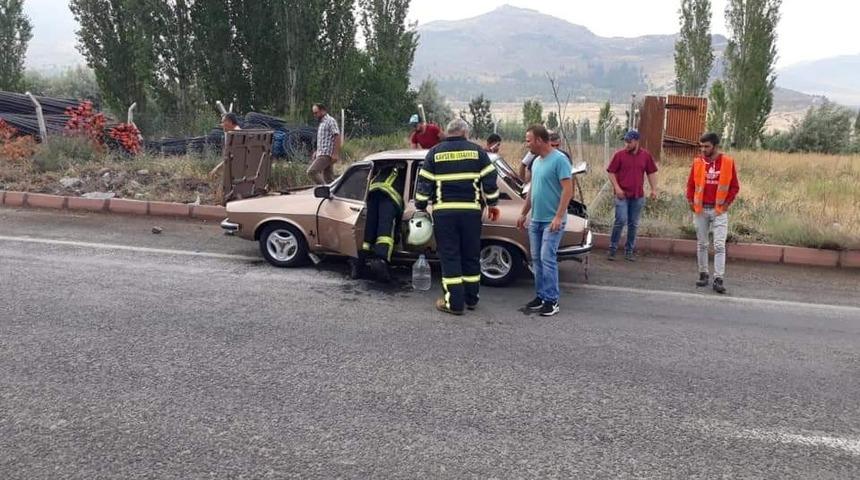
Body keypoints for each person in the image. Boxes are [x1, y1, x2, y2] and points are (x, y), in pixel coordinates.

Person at [415, 118, 500, 315]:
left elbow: (424, 183)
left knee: (450, 256)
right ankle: (471, 299)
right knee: (470, 255)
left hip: (444, 214)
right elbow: (489, 179)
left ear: (448, 132)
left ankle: (454, 303)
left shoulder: (435, 152)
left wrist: (420, 205)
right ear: (465, 133)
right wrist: (493, 203)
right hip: (471, 213)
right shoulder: (477, 151)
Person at [516, 125, 573, 317]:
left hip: (552, 221)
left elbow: (568, 190)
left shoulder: (560, 160)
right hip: (536, 220)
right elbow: (533, 190)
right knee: (537, 260)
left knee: (547, 258)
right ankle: (540, 296)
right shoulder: (536, 162)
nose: (527, 144)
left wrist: (558, 216)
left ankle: (552, 300)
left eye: (529, 140)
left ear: (539, 140)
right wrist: (524, 213)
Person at [686, 132, 740, 295]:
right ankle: (703, 274)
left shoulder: (728, 162)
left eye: (706, 146)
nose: (703, 149)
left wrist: (726, 204)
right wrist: (690, 201)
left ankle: (718, 279)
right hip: (701, 210)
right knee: (702, 244)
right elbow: (690, 185)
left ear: (715, 147)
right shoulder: (697, 163)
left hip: (719, 211)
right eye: (701, 146)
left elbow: (734, 187)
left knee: (719, 245)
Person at [606, 130, 659, 261]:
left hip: (637, 195)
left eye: (629, 142)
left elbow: (651, 173)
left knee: (633, 224)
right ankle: (612, 248)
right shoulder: (619, 155)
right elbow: (611, 172)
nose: (627, 144)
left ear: (636, 141)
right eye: (625, 141)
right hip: (622, 195)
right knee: (621, 220)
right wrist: (617, 188)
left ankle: (629, 250)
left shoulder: (645, 156)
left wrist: (654, 189)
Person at [358, 164, 406, 282]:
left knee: (368, 230)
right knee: (385, 232)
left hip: (373, 194)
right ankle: (381, 260)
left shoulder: (380, 171)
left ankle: (358, 263)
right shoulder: (400, 173)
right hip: (390, 198)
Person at [308, 103, 341, 185]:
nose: (315, 115)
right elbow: (323, 139)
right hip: (321, 152)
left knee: (312, 171)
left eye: (316, 113)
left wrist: (335, 153)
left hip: (326, 154)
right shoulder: (322, 123)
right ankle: (336, 192)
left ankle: (325, 190)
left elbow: (337, 136)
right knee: (328, 178)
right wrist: (317, 151)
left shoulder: (330, 121)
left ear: (323, 111)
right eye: (314, 113)